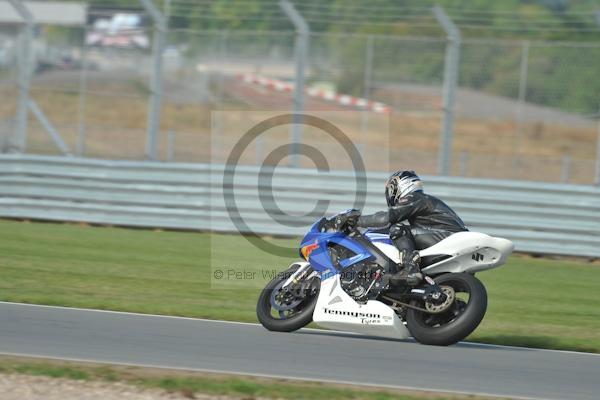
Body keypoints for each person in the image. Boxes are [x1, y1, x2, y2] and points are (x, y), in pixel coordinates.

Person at [345, 170, 468, 286]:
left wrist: (356, 221)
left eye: (391, 189)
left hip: (444, 237)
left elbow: (386, 218)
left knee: (398, 229)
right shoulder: (426, 201)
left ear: (401, 185)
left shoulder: (415, 197)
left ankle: (410, 268)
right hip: (449, 239)